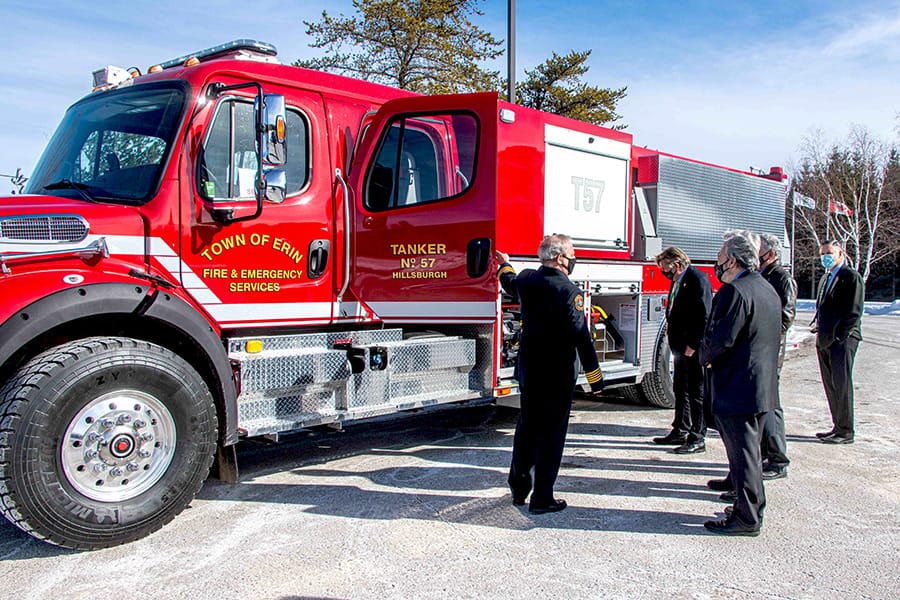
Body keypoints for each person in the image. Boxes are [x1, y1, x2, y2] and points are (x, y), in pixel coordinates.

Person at [497, 234, 605, 514]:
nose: (574, 258)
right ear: (561, 258)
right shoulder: (570, 292)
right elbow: (582, 338)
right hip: (556, 375)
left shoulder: (528, 279)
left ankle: (519, 489)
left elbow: (508, 281)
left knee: (527, 427)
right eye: (571, 253)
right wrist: (595, 378)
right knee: (551, 435)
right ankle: (543, 498)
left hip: (529, 371)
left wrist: (504, 264)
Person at [700, 231, 781, 536]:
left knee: (743, 455)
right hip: (759, 387)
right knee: (750, 454)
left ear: (732, 260)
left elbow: (723, 338)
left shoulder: (736, 292)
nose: (718, 266)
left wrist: (704, 356)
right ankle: (749, 508)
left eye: (720, 260)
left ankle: (747, 517)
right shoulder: (765, 287)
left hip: (739, 387)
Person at [651, 247, 712, 454]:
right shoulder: (678, 281)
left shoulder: (697, 280)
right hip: (678, 345)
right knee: (680, 389)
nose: (664, 272)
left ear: (677, 264)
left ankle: (697, 435)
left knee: (696, 391)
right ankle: (680, 428)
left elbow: (704, 316)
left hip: (691, 348)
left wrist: (693, 345)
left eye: (666, 268)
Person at [813, 239, 864, 444]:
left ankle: (846, 431)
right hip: (825, 339)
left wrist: (840, 336)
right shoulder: (827, 278)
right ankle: (837, 425)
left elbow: (854, 311)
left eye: (830, 253)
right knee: (831, 384)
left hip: (842, 340)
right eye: (823, 253)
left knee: (842, 384)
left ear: (841, 254)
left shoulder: (850, 277)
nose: (825, 257)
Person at [756, 233, 797, 478]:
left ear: (770, 255)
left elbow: (786, 316)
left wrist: (762, 336)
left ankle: (778, 459)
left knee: (771, 407)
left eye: (760, 250)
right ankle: (763, 455)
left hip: (769, 351)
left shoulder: (782, 278)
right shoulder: (762, 276)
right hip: (760, 352)